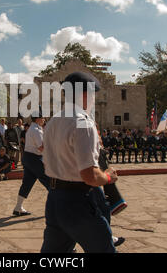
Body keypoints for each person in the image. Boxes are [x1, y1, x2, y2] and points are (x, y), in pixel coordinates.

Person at [41, 72, 119, 253]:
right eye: (93, 94)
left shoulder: (53, 121)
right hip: (77, 201)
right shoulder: (83, 122)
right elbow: (90, 176)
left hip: (54, 198)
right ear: (85, 94)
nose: (93, 99)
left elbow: (46, 162)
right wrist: (108, 177)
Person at [12, 110, 50, 217]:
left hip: (29, 158)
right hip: (35, 159)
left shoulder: (33, 129)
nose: (44, 120)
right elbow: (41, 147)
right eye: (43, 118)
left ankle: (18, 207)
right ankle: (54, 209)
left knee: (27, 183)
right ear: (38, 119)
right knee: (49, 182)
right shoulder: (37, 130)